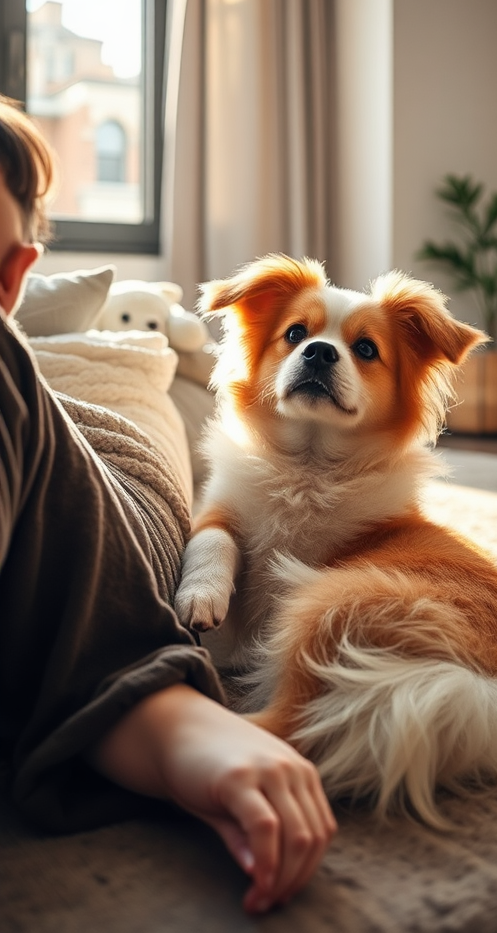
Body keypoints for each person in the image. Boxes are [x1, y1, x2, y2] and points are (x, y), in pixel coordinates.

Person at [0, 96, 336, 915]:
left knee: (167, 362)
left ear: (9, 275)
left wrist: (190, 733)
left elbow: (97, 640)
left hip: (115, 449)